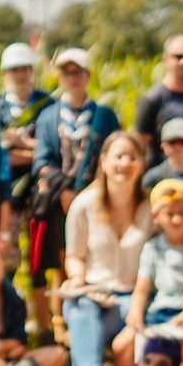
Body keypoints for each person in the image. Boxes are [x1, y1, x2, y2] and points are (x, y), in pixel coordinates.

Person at [52, 131, 155, 366]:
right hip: (95, 293)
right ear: (104, 161)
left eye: (132, 157)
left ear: (141, 164)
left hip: (135, 298)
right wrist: (78, 278)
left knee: (79, 315)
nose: (125, 163)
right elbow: (74, 256)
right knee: (79, 306)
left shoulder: (151, 207)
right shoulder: (84, 204)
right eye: (118, 156)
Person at [26, 47, 121, 339]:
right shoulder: (48, 116)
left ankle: (92, 327)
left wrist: (89, 194)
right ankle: (57, 327)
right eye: (67, 72)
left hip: (97, 200)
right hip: (57, 201)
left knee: (91, 259)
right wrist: (65, 192)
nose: (73, 78)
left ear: (87, 75)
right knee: (58, 262)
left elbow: (114, 152)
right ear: (60, 77)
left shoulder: (104, 116)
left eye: (77, 72)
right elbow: (41, 160)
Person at [123, 178, 183, 352]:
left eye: (182, 212)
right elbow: (142, 288)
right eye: (170, 214)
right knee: (122, 346)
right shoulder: (152, 247)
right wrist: (136, 312)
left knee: (167, 350)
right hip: (157, 311)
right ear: (156, 217)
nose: (177, 219)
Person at [0, 41, 49, 215]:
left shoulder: (47, 103)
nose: (21, 74)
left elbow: (55, 146)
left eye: (25, 68)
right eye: (15, 69)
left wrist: (23, 142)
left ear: (32, 70)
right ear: (5, 73)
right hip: (5, 185)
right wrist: (38, 154)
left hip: (40, 184)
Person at [135, 34, 183, 156]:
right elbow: (141, 144)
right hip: (163, 172)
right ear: (165, 59)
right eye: (178, 57)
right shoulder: (152, 99)